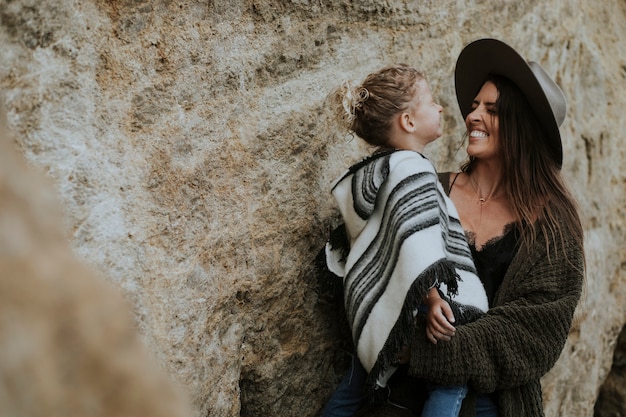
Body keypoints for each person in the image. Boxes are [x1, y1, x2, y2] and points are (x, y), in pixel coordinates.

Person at [358, 39, 585, 417]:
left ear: (522, 127)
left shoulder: (553, 228)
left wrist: (424, 351)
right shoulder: (431, 187)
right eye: (475, 105)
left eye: (491, 110)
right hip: (396, 397)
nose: (472, 116)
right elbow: (378, 263)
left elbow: (532, 336)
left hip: (491, 404)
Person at [319, 64, 490, 417]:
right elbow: (415, 242)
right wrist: (431, 299)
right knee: (451, 379)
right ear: (409, 122)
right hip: (415, 307)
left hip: (378, 302)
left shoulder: (376, 170)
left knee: (354, 384)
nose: (440, 107)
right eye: (429, 101)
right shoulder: (414, 169)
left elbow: (377, 242)